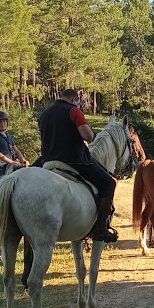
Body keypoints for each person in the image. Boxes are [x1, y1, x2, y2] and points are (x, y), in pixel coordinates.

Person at [38, 88, 118, 243]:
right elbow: (88, 136)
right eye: (78, 102)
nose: (78, 104)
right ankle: (101, 228)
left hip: (47, 161)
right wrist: (90, 133)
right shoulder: (74, 111)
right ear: (74, 99)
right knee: (109, 183)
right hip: (74, 161)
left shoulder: (44, 114)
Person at [0, 111, 29, 183]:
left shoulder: (9, 136)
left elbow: (17, 151)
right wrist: (11, 162)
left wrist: (23, 160)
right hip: (0, 166)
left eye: (4, 121)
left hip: (11, 164)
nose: (2, 123)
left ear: (7, 122)